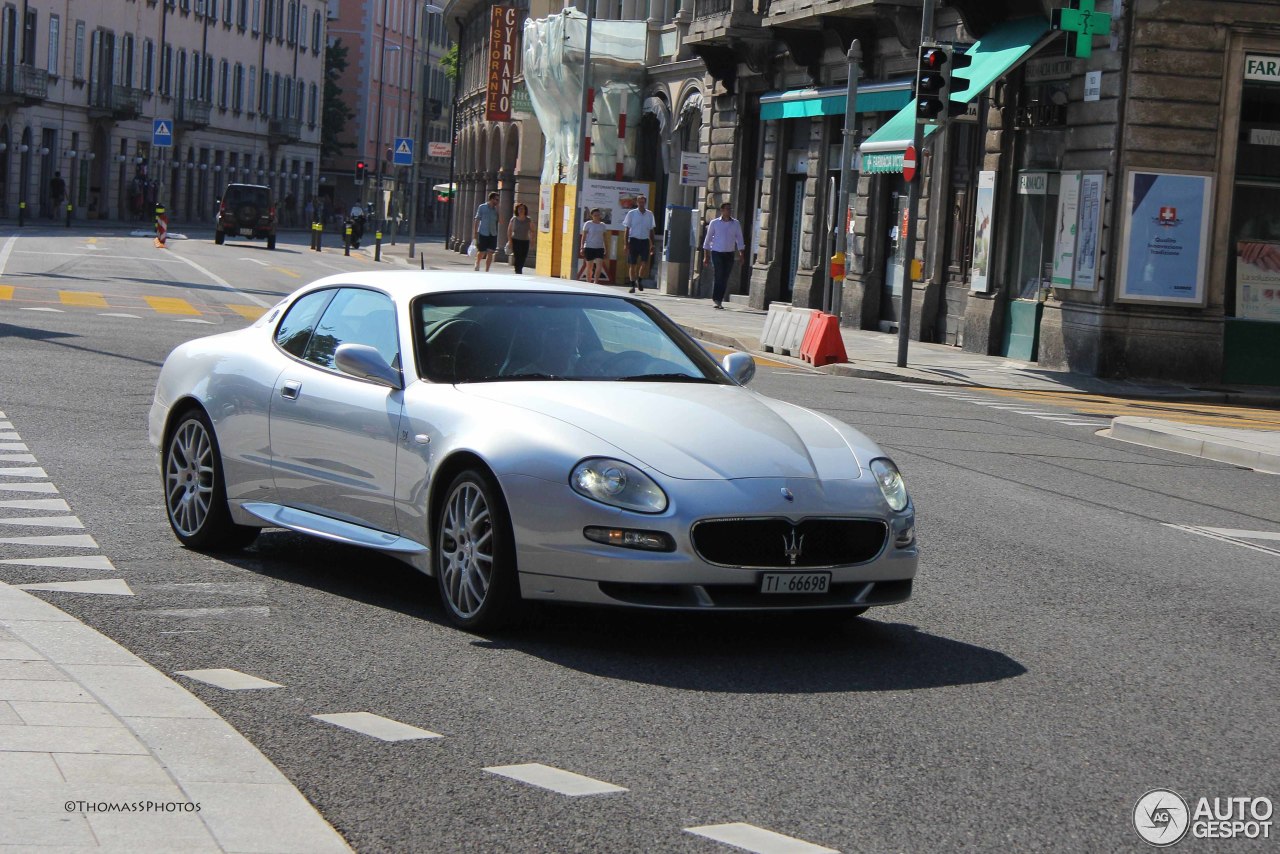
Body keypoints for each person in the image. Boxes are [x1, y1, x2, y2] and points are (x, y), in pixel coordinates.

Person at [701, 202, 746, 309]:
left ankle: (720, 299)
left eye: (730, 209)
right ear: (722, 210)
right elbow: (707, 240)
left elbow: (739, 239)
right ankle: (716, 299)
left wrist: (741, 254)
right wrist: (706, 256)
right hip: (717, 252)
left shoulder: (735, 223)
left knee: (725, 277)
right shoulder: (714, 223)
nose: (729, 211)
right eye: (727, 209)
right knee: (719, 275)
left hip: (729, 253)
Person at [620, 195, 656, 293]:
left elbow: (651, 230)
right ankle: (632, 285)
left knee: (644, 263)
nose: (641, 203)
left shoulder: (649, 214)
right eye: (639, 202)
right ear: (636, 202)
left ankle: (639, 279)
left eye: (643, 202)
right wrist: (625, 243)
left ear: (645, 202)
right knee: (632, 264)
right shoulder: (632, 213)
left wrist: (652, 244)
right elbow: (626, 229)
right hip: (634, 240)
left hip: (644, 240)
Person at [579, 208, 609, 284]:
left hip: (599, 247)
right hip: (589, 247)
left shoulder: (603, 225)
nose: (597, 217)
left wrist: (606, 249)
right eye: (595, 215)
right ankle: (588, 282)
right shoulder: (588, 224)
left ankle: (596, 282)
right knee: (589, 267)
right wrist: (582, 247)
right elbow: (584, 236)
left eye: (598, 215)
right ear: (592, 216)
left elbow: (605, 238)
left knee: (599, 265)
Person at [473, 192, 500, 271]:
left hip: (493, 232)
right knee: (482, 251)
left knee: (490, 252)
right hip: (483, 232)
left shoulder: (496, 209)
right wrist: (475, 233)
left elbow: (501, 221)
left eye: (498, 200)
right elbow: (477, 219)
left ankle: (487, 269)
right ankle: (477, 262)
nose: (497, 202)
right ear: (491, 199)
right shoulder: (482, 207)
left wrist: (498, 210)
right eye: (496, 200)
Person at [506, 202, 533, 274]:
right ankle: (518, 270)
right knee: (517, 256)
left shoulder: (528, 220)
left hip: (525, 241)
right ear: (517, 210)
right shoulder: (514, 219)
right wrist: (510, 241)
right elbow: (509, 230)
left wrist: (532, 240)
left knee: (523, 256)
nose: (521, 210)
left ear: (525, 210)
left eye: (522, 209)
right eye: (519, 209)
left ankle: (519, 268)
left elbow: (532, 230)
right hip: (516, 240)